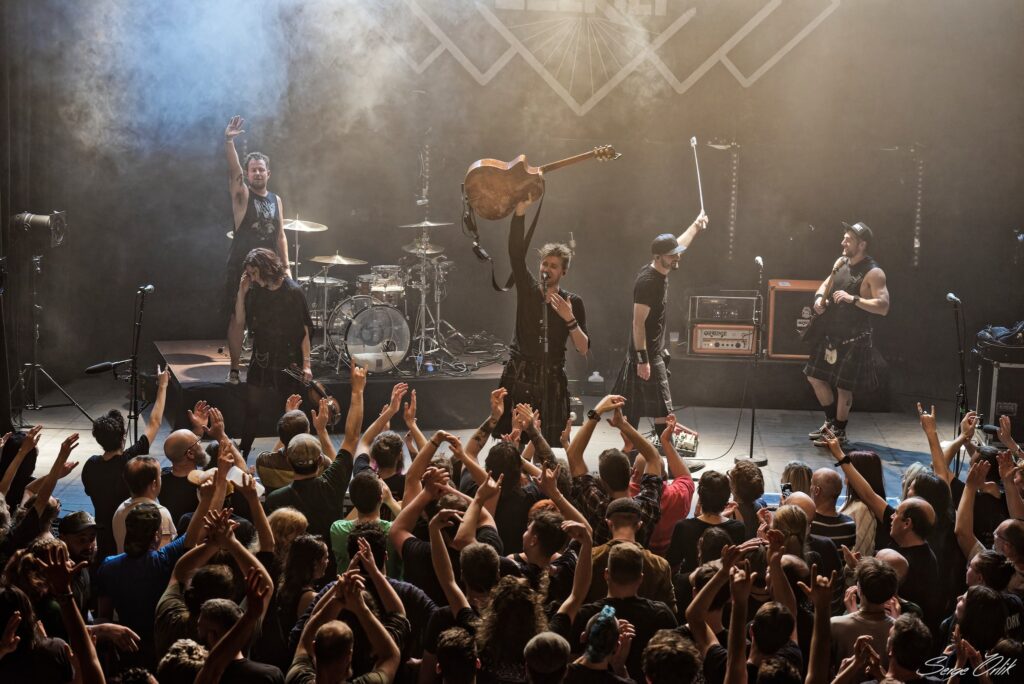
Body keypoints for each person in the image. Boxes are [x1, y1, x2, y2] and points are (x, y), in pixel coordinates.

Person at [494, 198, 589, 445]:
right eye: (544, 264)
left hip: (551, 376)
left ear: (563, 272)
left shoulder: (573, 302)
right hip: (521, 372)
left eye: (553, 266)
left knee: (548, 442)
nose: (547, 269)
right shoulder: (528, 289)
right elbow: (515, 253)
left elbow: (583, 347)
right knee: (513, 438)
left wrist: (569, 319)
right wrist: (520, 213)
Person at [613, 212, 708, 429]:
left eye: (676, 253)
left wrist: (695, 225)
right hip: (647, 354)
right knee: (654, 412)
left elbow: (680, 244)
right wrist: (642, 360)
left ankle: (651, 454)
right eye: (672, 255)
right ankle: (651, 455)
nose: (678, 257)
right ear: (658, 256)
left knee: (644, 411)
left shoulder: (660, 269)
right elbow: (637, 324)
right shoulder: (648, 282)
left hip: (651, 352)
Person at [805, 221, 890, 447]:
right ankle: (831, 423)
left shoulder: (874, 272)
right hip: (832, 335)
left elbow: (883, 306)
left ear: (862, 244)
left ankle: (839, 432)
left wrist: (854, 299)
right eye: (844, 237)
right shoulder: (840, 262)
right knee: (814, 376)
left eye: (848, 239)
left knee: (844, 387)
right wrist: (818, 300)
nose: (843, 242)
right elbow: (825, 284)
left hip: (855, 338)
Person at [223, 115, 291, 385]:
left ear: (268, 173)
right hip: (242, 266)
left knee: (268, 318)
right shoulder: (242, 196)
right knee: (238, 318)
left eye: (262, 169)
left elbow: (281, 235)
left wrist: (286, 267)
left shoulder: (276, 200)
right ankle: (234, 369)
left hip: (270, 269)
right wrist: (229, 141)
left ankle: (269, 364)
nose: (258, 173)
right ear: (249, 174)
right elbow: (233, 171)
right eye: (253, 170)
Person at [82, 366, 168, 561]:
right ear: (123, 436)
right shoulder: (130, 460)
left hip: (103, 534)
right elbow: (154, 422)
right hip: (127, 532)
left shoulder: (90, 465)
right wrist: (162, 386)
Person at [235, 247, 314, 457]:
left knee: (291, 412)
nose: (251, 278)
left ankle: (296, 454)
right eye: (249, 274)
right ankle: (243, 451)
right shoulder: (256, 291)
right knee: (252, 408)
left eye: (253, 273)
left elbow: (305, 330)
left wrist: (307, 364)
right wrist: (241, 292)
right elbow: (240, 321)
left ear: (265, 268)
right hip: (262, 357)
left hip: (289, 360)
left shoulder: (293, 292)